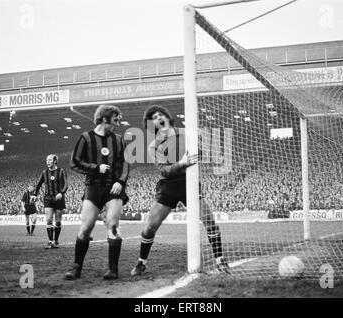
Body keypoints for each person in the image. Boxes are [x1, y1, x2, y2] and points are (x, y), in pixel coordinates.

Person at [130, 105, 229, 277]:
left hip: (189, 182)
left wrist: (199, 145)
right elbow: (163, 170)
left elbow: (201, 153)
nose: (158, 118)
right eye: (153, 118)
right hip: (168, 186)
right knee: (150, 227)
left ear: (167, 117)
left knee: (210, 221)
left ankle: (220, 261)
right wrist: (182, 163)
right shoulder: (153, 146)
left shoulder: (187, 133)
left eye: (160, 114)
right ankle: (141, 263)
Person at [65, 104, 130, 280]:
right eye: (115, 120)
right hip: (92, 188)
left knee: (113, 226)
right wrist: (95, 168)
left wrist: (120, 182)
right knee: (85, 228)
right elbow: (75, 162)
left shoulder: (118, 139)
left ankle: (112, 269)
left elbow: (125, 164)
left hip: (113, 189)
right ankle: (76, 267)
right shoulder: (85, 138)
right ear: (104, 119)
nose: (118, 123)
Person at [35, 154, 68, 249]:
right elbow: (38, 184)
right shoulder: (44, 172)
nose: (47, 162)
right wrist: (34, 195)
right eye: (46, 160)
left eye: (49, 160)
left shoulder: (61, 171)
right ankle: (50, 241)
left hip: (59, 199)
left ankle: (56, 240)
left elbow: (66, 184)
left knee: (57, 221)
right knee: (49, 220)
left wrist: (61, 193)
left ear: (54, 161)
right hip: (48, 198)